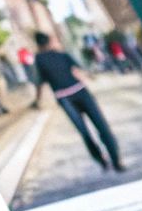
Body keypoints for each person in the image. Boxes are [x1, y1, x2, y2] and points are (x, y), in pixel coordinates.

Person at [29, 31, 125, 173]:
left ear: (37, 44)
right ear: (49, 41)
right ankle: (116, 161)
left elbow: (39, 83)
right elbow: (77, 70)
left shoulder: (38, 60)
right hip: (81, 92)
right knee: (102, 127)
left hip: (65, 99)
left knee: (85, 132)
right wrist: (90, 77)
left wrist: (37, 100)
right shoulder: (62, 54)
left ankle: (101, 160)